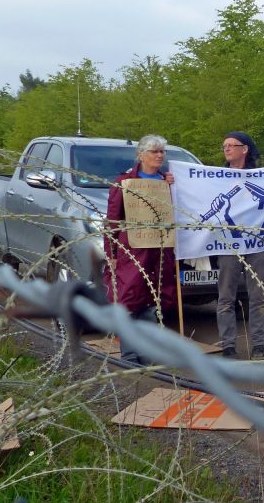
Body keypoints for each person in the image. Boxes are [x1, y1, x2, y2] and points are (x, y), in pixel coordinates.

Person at [102, 134, 178, 364]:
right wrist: (111, 253)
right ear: (141, 155)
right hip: (134, 251)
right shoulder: (125, 182)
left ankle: (146, 351)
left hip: (160, 252)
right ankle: (130, 353)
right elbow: (113, 220)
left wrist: (172, 184)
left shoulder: (167, 182)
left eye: (162, 151)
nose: (159, 155)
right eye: (154, 151)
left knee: (154, 301)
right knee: (130, 300)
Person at [214, 131, 264, 359]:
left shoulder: (260, 176)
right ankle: (228, 345)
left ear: (244, 149)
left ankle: (258, 344)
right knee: (226, 296)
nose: (226, 149)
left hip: (256, 244)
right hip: (229, 244)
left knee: (257, 296)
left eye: (231, 145)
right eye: (224, 145)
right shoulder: (216, 177)